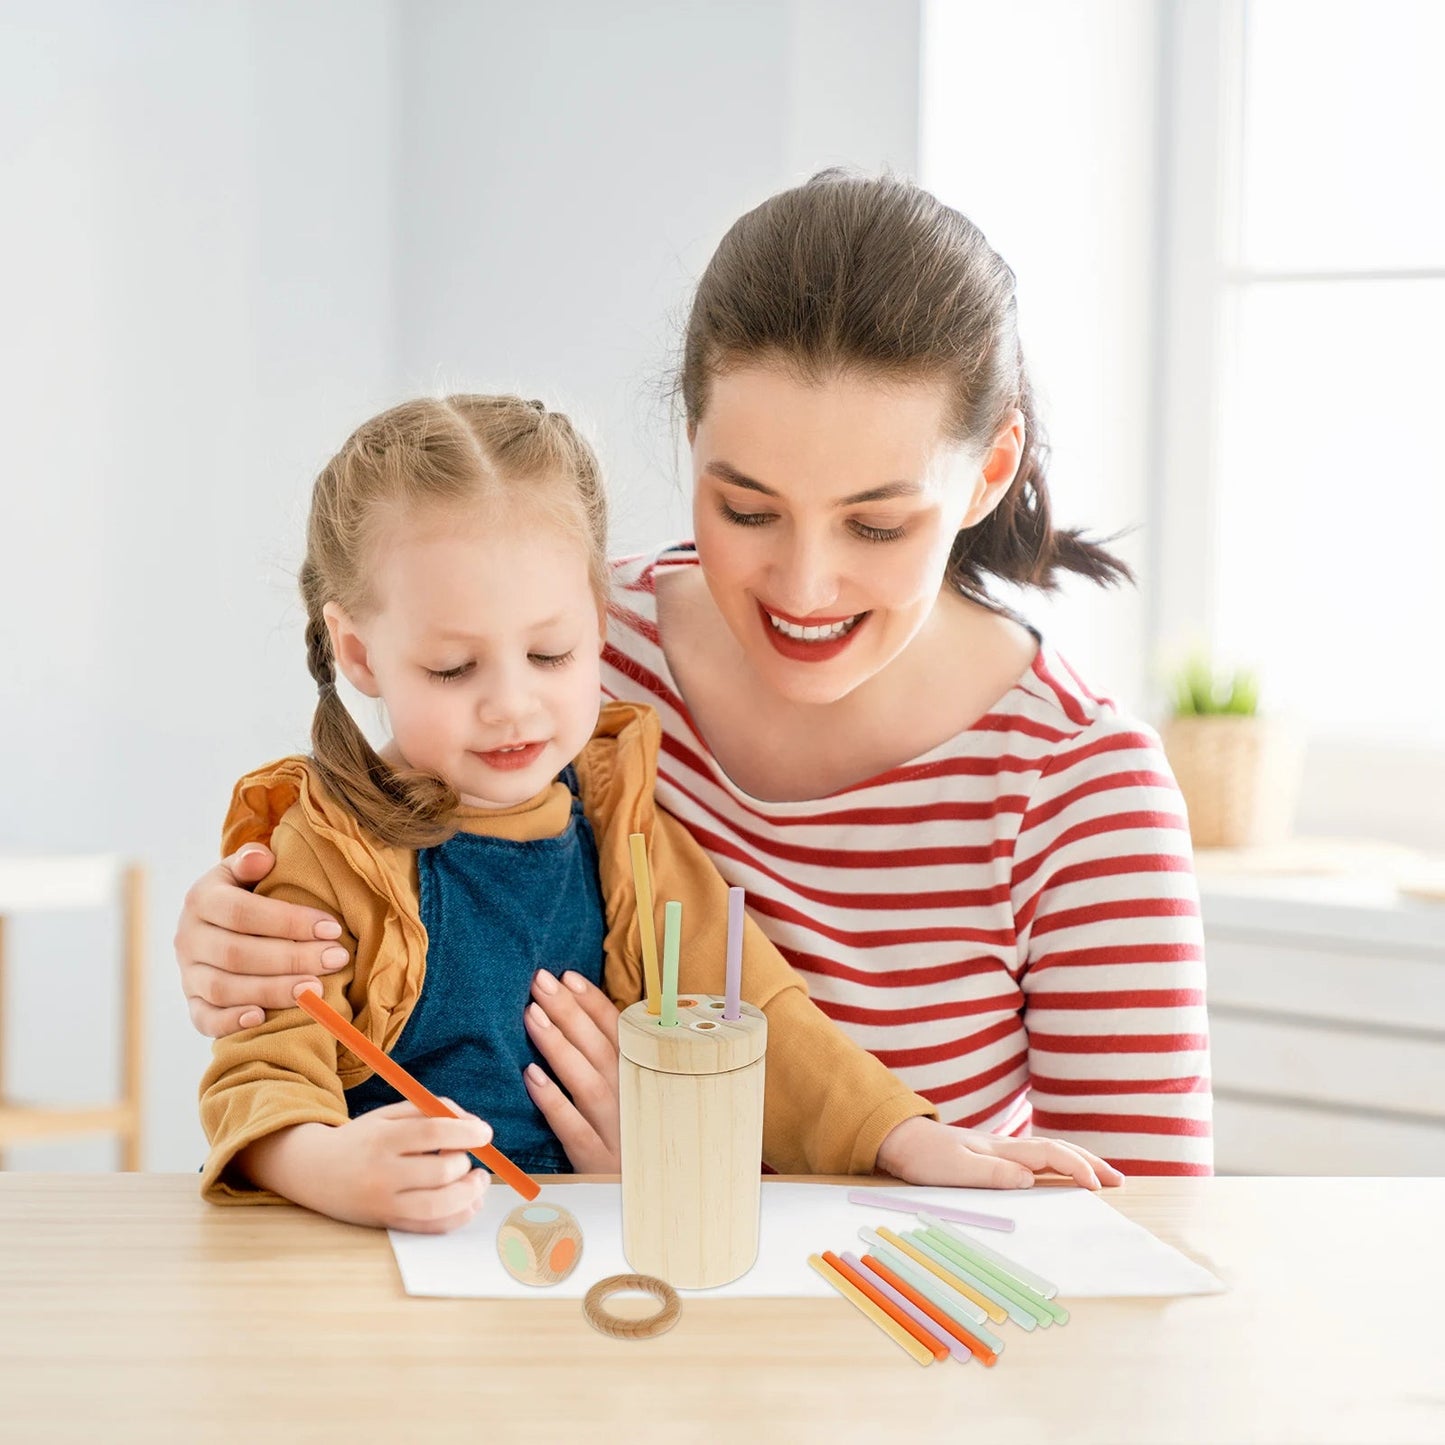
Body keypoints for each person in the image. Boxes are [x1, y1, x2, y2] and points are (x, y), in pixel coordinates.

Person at [179, 170, 1208, 1180]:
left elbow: (1133, 1258)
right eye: (747, 509)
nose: (803, 586)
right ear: (693, 448)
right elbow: (352, 891)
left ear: (986, 472)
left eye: (875, 522)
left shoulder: (1077, 790)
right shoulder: (571, 653)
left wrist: (694, 1174)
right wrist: (241, 939)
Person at [202, 391, 1119, 1234]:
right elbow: (258, 1069)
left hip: (588, 1265)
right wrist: (326, 1165)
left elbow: (758, 1014)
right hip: (388, 1283)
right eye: (454, 668)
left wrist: (905, 1138)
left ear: (599, 622)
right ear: (360, 653)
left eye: (552, 654)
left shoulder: (625, 827)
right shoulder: (322, 847)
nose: (512, 705)